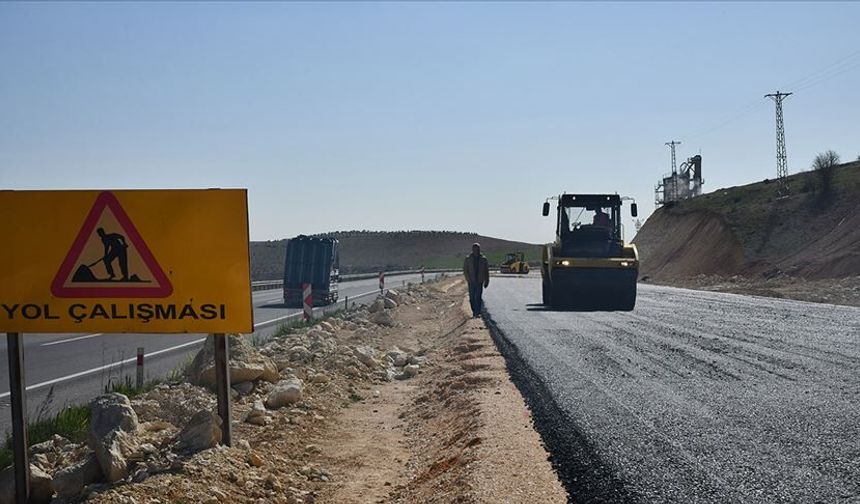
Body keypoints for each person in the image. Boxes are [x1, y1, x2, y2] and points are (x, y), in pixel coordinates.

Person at [463, 242, 490, 318]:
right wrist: (468, 279)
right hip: (471, 281)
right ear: (472, 249)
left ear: (479, 249)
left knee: (478, 297)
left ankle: (477, 312)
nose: (476, 250)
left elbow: (486, 271)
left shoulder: (483, 259)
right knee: (472, 297)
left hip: (479, 281)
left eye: (477, 249)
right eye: (474, 249)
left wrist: (487, 280)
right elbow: (465, 270)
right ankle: (474, 310)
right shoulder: (468, 259)